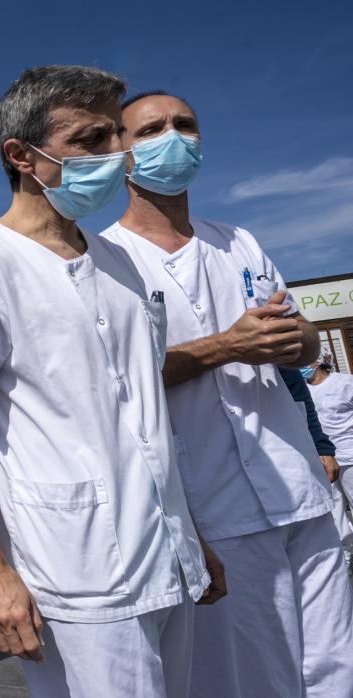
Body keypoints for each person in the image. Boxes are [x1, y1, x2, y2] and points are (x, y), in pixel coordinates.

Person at [0, 66, 222, 698]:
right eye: (92, 141)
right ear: (21, 156)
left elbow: (144, 410)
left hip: (164, 549)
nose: (119, 154)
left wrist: (189, 534)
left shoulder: (119, 261)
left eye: (117, 135)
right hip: (75, 564)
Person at [103, 91, 353, 696]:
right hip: (215, 509)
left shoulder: (238, 241)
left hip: (301, 489)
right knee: (252, 676)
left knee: (333, 667)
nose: (174, 137)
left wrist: (302, 340)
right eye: (153, 129)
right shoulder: (107, 260)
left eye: (185, 125)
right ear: (122, 156)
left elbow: (301, 344)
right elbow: (114, 382)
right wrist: (226, 347)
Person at [306, 350, 353, 558]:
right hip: (323, 460)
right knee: (334, 512)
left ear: (318, 361)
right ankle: (347, 554)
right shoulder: (302, 391)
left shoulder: (345, 382)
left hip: (350, 456)